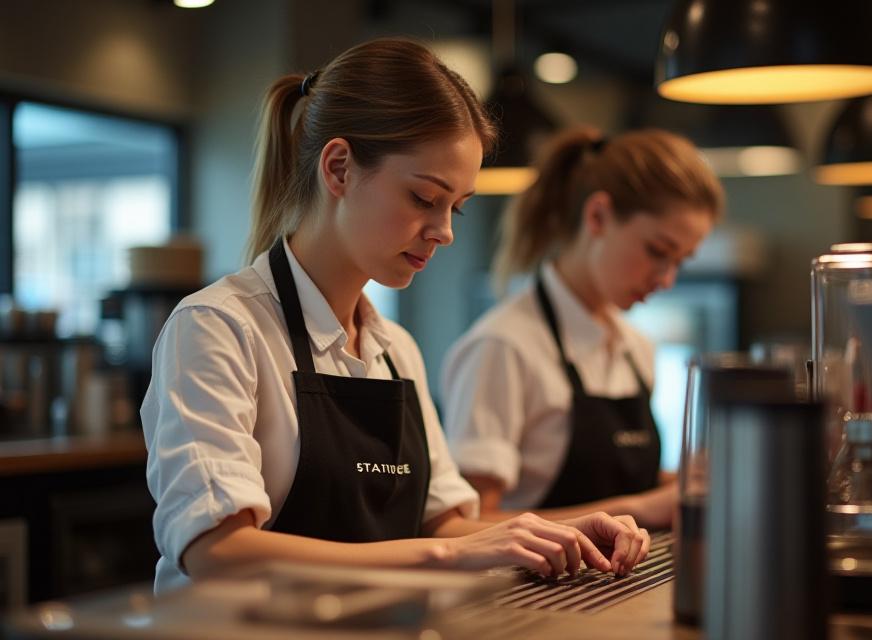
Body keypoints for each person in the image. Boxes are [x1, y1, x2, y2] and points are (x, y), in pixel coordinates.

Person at [142, 39, 649, 594]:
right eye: (423, 198)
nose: (445, 232)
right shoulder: (219, 328)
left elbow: (449, 522)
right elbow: (219, 550)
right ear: (338, 169)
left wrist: (557, 532)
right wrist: (448, 554)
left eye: (455, 207)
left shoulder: (394, 349)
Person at [441, 126, 724, 527]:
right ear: (598, 216)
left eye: (681, 261)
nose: (666, 280)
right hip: (531, 589)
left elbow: (620, 480)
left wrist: (685, 483)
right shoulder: (503, 346)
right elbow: (469, 524)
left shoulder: (634, 347)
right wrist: (640, 509)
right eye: (658, 252)